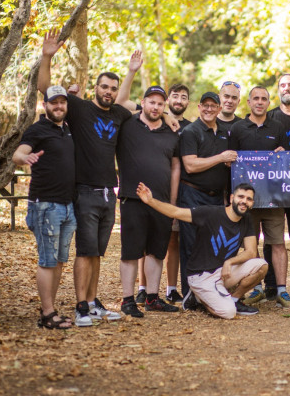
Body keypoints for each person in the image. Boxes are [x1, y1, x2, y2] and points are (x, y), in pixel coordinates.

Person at [38, 30, 136, 326]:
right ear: (95, 87)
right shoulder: (79, 108)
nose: (109, 92)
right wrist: (47, 56)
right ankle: (81, 305)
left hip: (108, 192)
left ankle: (93, 302)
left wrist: (132, 73)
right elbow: (45, 89)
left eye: (113, 89)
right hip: (84, 191)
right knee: (85, 250)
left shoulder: (118, 114)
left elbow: (132, 105)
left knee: (97, 253)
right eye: (104, 86)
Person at [136, 182, 268, 318]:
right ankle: (198, 298)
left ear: (252, 203)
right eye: (241, 197)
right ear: (231, 198)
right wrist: (150, 201)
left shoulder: (246, 219)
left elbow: (251, 252)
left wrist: (229, 262)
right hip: (201, 275)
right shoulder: (211, 213)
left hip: (223, 272)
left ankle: (234, 299)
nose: (244, 201)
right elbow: (176, 212)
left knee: (261, 265)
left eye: (249, 199)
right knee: (228, 313)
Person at [13, 86, 76, 329]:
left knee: (59, 261)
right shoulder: (37, 129)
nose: (59, 106)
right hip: (46, 205)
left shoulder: (67, 129)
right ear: (45, 105)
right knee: (48, 260)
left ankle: (49, 309)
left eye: (62, 102)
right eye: (54, 102)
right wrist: (25, 158)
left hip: (68, 205)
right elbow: (18, 153)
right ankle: (48, 314)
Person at [117, 86, 181, 317]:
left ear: (165, 106)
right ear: (142, 103)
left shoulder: (171, 131)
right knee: (131, 252)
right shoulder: (127, 124)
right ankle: (127, 300)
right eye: (151, 102)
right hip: (132, 198)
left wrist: (172, 203)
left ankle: (152, 298)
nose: (155, 107)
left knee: (157, 252)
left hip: (161, 202)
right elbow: (120, 102)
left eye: (160, 104)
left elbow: (175, 167)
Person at [229, 86, 290, 308]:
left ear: (268, 102)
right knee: (251, 244)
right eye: (255, 98)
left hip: (273, 198)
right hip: (247, 202)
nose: (259, 102)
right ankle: (255, 288)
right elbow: (230, 163)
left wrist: (283, 155)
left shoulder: (278, 127)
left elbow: (287, 161)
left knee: (277, 243)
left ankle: (282, 290)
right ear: (248, 102)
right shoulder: (238, 128)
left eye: (263, 99)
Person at [178, 92, 237, 304]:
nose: (209, 109)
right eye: (206, 105)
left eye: (213, 106)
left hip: (216, 198)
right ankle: (190, 294)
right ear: (199, 107)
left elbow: (226, 161)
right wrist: (220, 158)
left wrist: (227, 162)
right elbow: (190, 165)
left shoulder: (224, 133)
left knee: (213, 246)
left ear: (219, 109)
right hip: (192, 195)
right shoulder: (190, 132)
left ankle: (210, 292)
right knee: (191, 245)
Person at [264, 73, 290, 301]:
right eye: (283, 85)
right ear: (278, 90)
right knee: (272, 238)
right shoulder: (268, 117)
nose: (287, 88)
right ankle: (270, 284)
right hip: (273, 188)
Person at [162, 83, 191, 305]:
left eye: (183, 97)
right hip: (157, 187)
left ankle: (172, 289)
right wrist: (163, 114)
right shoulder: (156, 120)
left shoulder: (191, 128)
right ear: (168, 99)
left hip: (183, 191)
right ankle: (143, 289)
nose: (179, 100)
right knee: (151, 242)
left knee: (176, 241)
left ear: (188, 102)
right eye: (175, 96)